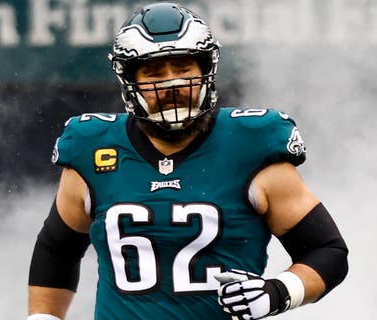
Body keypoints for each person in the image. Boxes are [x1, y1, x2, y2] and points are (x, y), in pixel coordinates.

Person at [27, 2, 348, 320]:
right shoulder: (92, 147)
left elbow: (326, 250)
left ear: (205, 69)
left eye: (183, 68)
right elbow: (57, 248)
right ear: (129, 79)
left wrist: (278, 292)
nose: (172, 84)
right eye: (154, 71)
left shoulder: (252, 144)